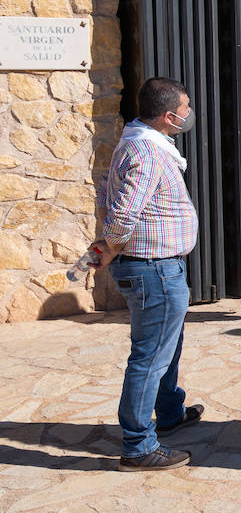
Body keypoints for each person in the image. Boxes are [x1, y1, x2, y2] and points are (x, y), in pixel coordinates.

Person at [90, 77, 203, 472]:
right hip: (154, 269)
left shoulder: (139, 142)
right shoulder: (148, 152)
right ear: (170, 116)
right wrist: (111, 247)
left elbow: (106, 191)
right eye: (186, 109)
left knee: (166, 346)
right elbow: (122, 212)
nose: (190, 115)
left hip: (161, 267)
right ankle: (138, 445)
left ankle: (169, 411)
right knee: (151, 355)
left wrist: (110, 247)